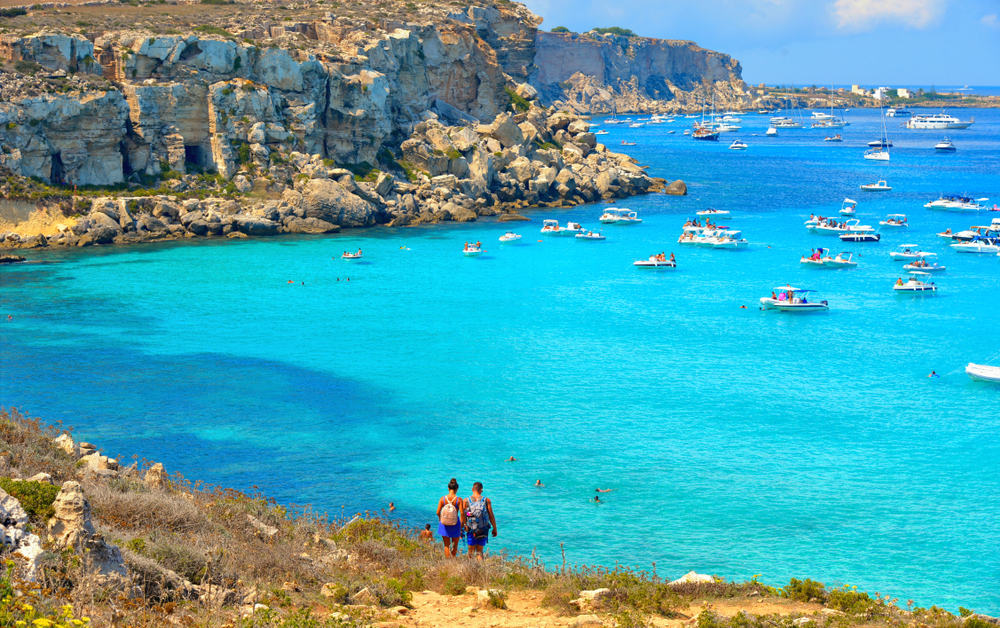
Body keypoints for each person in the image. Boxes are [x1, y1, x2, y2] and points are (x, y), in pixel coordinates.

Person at [462, 481, 496, 560]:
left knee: (470, 552)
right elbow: (491, 515)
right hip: (483, 529)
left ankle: (470, 571)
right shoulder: (486, 500)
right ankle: (481, 570)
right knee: (480, 552)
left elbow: (463, 515)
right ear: (481, 490)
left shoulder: (466, 501)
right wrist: (494, 528)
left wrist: (463, 527)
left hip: (471, 529)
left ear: (472, 489)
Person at [436, 478, 463, 558]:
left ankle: (448, 563)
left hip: (444, 523)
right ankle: (453, 561)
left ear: (448, 488)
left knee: (446, 545)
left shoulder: (442, 499)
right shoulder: (459, 500)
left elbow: (437, 512)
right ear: (457, 488)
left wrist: (440, 519)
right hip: (455, 523)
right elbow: (462, 513)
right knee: (455, 545)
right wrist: (462, 524)